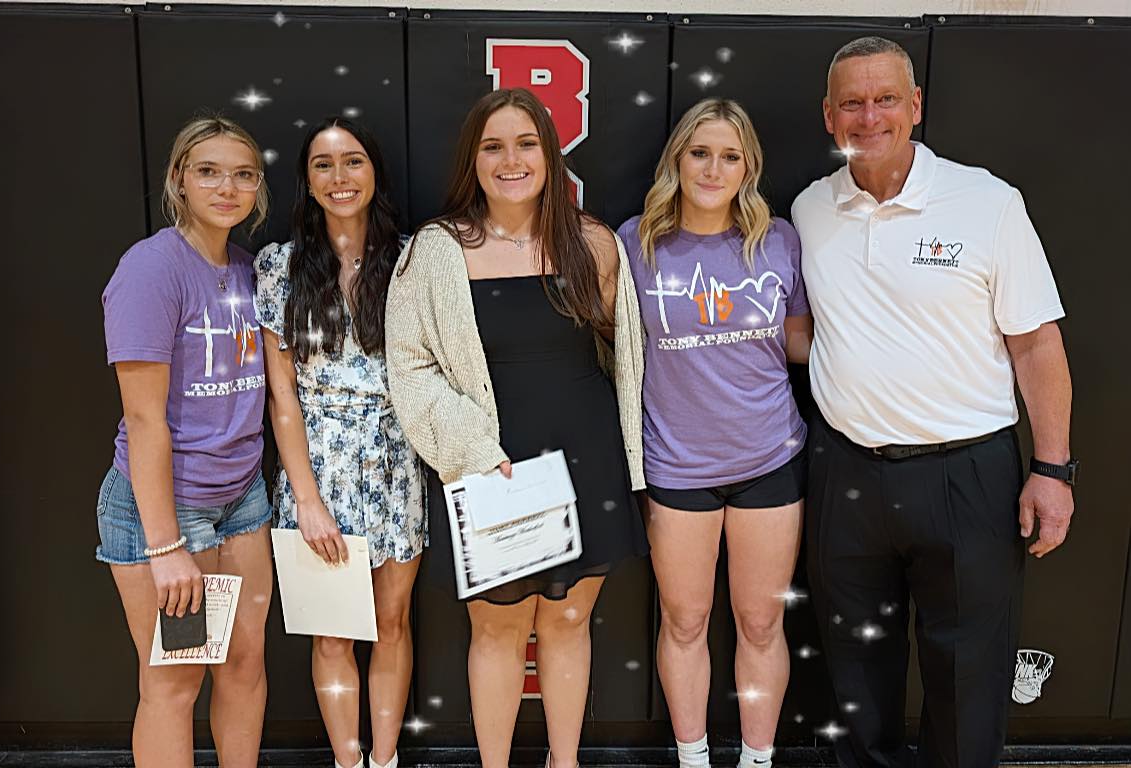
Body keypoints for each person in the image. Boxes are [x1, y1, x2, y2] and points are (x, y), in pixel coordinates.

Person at [791, 36, 1075, 767]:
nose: (868, 116)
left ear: (914, 107)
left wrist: (1053, 470)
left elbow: (1035, 344)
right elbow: (808, 330)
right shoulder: (809, 209)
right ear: (828, 117)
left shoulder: (985, 202)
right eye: (851, 102)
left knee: (967, 678)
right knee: (853, 674)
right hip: (844, 473)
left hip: (966, 474)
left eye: (885, 98)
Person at [385, 87, 648, 768]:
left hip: (585, 456)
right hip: (487, 465)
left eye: (525, 143)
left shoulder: (592, 241)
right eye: (493, 146)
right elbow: (409, 369)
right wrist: (470, 446)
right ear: (472, 159)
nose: (511, 160)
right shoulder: (435, 251)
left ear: (549, 153)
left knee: (566, 620)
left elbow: (626, 357)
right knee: (497, 629)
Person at [618, 98, 812, 768]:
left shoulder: (778, 239)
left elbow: (800, 344)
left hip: (768, 458)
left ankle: (756, 759)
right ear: (677, 157)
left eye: (730, 155)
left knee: (761, 622)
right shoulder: (635, 242)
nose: (713, 167)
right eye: (700, 151)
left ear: (748, 166)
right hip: (676, 467)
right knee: (685, 621)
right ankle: (692, 756)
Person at [97, 116, 272, 767]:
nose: (226, 186)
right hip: (166, 512)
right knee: (175, 681)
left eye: (243, 173)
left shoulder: (249, 272)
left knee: (245, 664)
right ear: (179, 179)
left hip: (242, 502)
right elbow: (144, 422)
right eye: (208, 170)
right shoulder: (151, 270)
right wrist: (166, 546)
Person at [254, 117, 424, 768]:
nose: (339, 177)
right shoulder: (280, 264)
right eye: (323, 166)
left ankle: (384, 759)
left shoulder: (412, 259)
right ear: (307, 180)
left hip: (395, 460)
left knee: (391, 624)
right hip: (317, 466)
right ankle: (347, 761)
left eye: (351, 161)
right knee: (332, 636)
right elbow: (283, 395)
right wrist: (307, 500)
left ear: (373, 171)